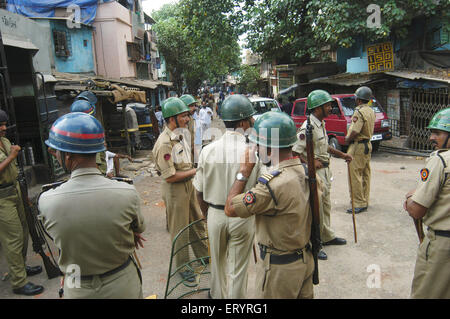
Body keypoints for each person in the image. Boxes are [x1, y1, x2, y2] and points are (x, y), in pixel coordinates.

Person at [38, 112, 145, 298]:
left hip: (75, 281)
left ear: (68, 156)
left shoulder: (47, 200)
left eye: (56, 152)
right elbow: (138, 228)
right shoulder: (127, 192)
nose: (55, 156)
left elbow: (60, 237)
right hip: (121, 280)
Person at [224, 111, 317, 299]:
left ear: (268, 148)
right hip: (305, 260)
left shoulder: (271, 185)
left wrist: (243, 172)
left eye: (258, 145)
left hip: (279, 270)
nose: (256, 150)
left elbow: (230, 209)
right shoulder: (306, 172)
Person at [193, 94, 259, 299]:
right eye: (250, 119)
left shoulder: (207, 151)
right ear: (242, 122)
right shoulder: (253, 152)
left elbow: (199, 191)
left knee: (217, 264)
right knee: (238, 269)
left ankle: (216, 297)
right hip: (242, 215)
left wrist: (207, 215)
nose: (253, 122)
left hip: (215, 214)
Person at [152, 97, 208, 284]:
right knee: (181, 230)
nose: (187, 119)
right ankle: (183, 267)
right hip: (175, 190)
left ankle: (204, 255)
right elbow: (169, 176)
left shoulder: (180, 135)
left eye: (187, 115)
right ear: (171, 119)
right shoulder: (165, 143)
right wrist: (198, 169)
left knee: (197, 221)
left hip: (188, 185)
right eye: (183, 116)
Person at [292, 90, 351, 261]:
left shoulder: (320, 124)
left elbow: (324, 147)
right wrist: (310, 163)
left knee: (325, 206)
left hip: (325, 170)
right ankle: (315, 243)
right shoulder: (307, 127)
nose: (330, 108)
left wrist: (342, 155)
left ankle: (327, 236)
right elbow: (296, 151)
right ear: (317, 108)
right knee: (315, 209)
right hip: (315, 173)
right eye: (327, 105)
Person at [404, 108, 450, 299]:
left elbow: (416, 210)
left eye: (437, 133)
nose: (431, 137)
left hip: (442, 246)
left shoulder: (441, 161)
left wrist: (409, 198)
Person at [0, 109, 44, 296]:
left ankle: (20, 267)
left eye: (4, 124)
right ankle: (18, 282)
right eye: (0, 126)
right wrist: (11, 156)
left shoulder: (5, 141)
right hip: (2, 197)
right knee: (13, 238)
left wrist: (23, 194)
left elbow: (14, 169)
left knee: (24, 231)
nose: (3, 128)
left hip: (15, 190)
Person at [344, 86, 376, 214]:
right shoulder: (371, 111)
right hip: (368, 144)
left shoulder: (359, 111)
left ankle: (358, 203)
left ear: (358, 100)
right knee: (365, 174)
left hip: (358, 146)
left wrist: (347, 138)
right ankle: (364, 200)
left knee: (355, 174)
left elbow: (355, 130)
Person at [180, 94, 199, 163]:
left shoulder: (191, 120)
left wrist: (197, 160)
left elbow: (192, 143)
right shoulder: (175, 123)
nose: (194, 108)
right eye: (191, 106)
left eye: (194, 105)